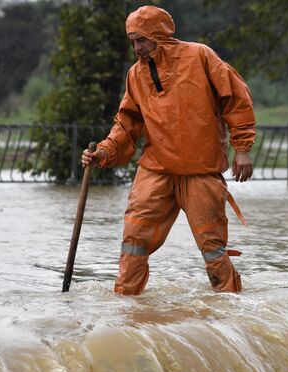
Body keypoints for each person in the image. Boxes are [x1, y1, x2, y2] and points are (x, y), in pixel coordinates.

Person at [81, 5, 256, 295]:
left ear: (159, 36)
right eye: (133, 41)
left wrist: (243, 148)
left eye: (142, 40)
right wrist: (104, 152)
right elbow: (126, 123)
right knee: (133, 239)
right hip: (156, 169)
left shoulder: (200, 56)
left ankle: (229, 310)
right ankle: (125, 308)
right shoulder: (135, 75)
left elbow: (236, 98)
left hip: (201, 171)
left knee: (212, 248)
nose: (137, 48)